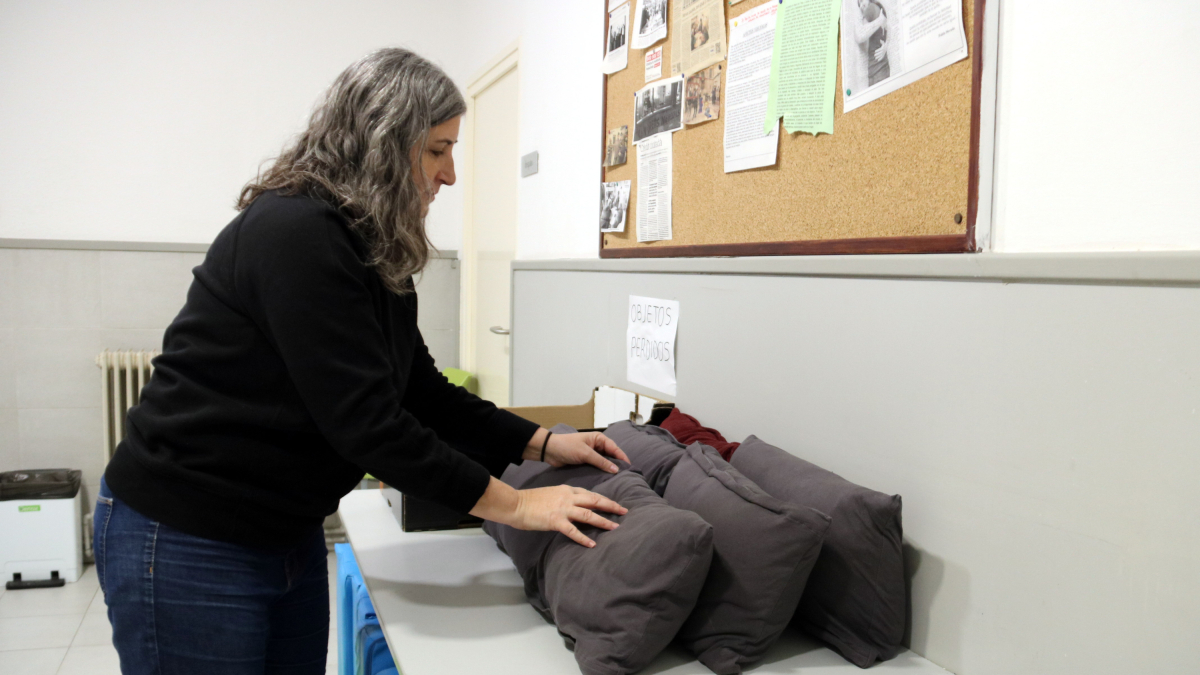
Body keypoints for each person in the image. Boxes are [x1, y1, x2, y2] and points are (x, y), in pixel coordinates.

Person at [94, 48, 630, 675]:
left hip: (280, 528)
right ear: (383, 141)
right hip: (187, 533)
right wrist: (518, 506)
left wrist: (539, 443)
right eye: (436, 150)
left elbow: (420, 391)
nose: (450, 174)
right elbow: (367, 424)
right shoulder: (296, 231)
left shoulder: (373, 244)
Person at [854, 0, 891, 87]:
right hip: (881, 68)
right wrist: (886, 45)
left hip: (877, 70)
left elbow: (860, 35)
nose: (861, 5)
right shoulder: (878, 7)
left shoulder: (870, 8)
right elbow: (888, 28)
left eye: (862, 0)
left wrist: (886, 45)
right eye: (859, 4)